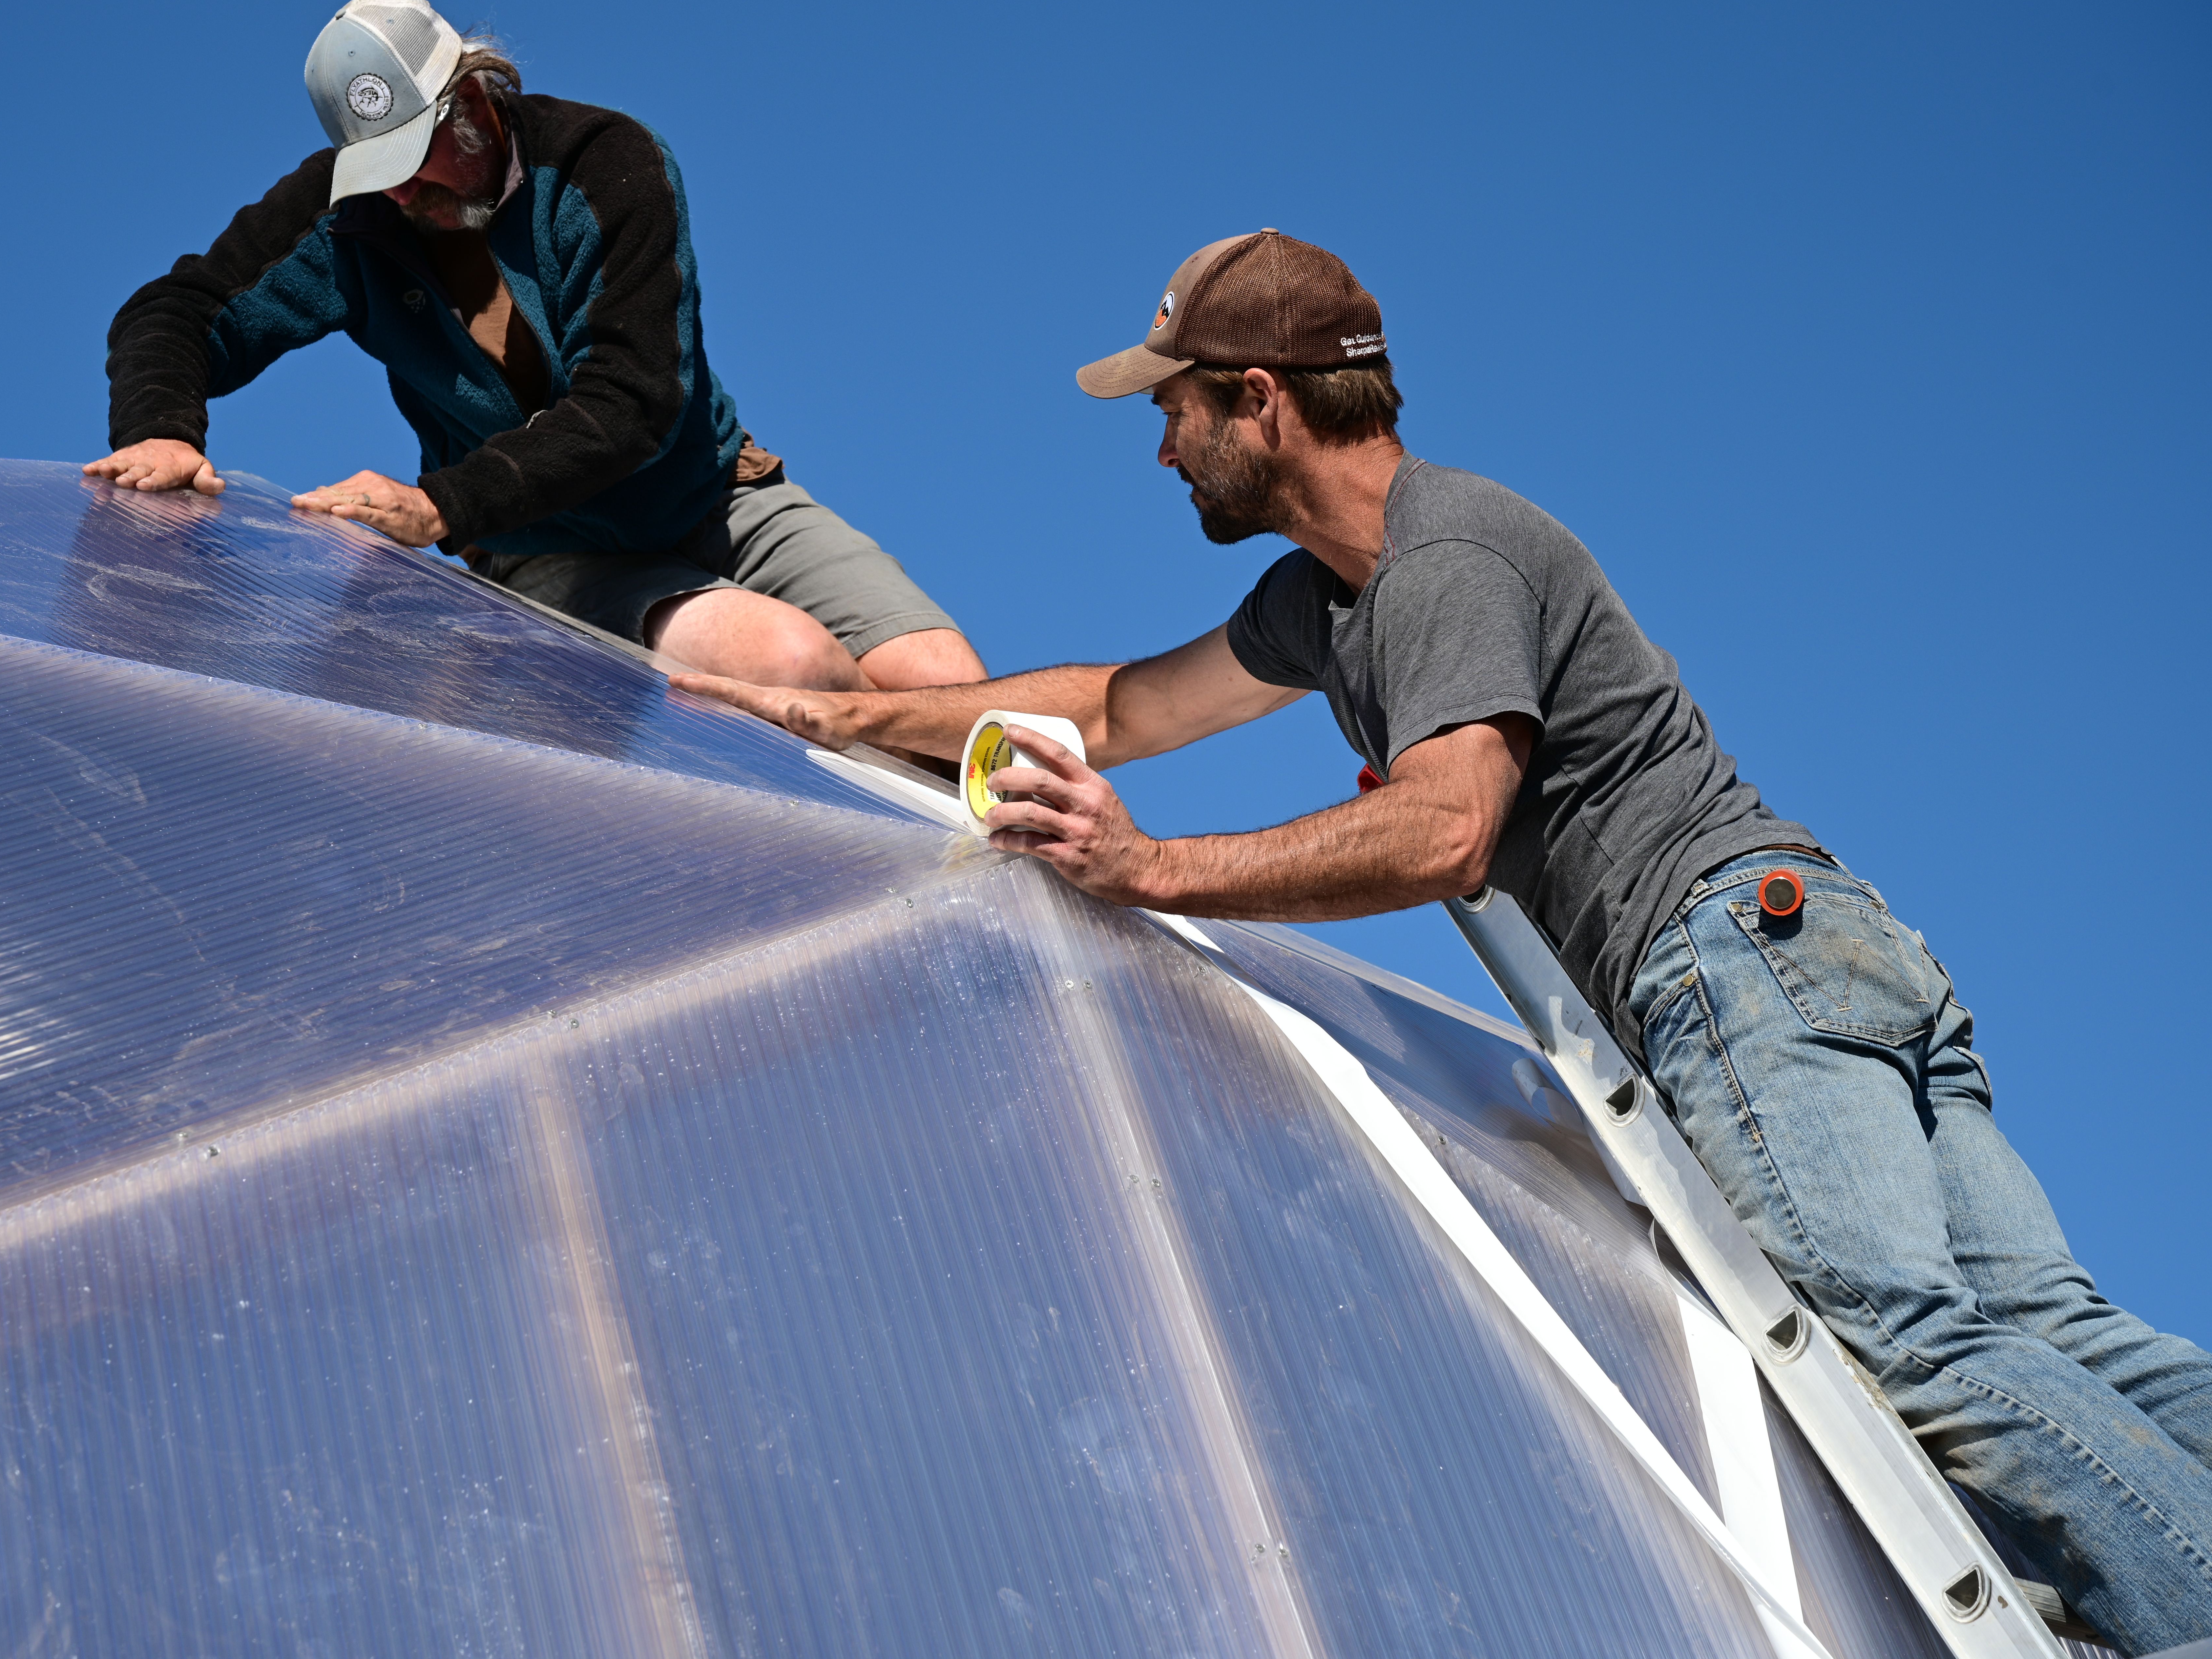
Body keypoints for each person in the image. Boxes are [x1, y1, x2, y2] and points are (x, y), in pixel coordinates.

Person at [677, 229, 2212, 1654]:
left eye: (1174, 409)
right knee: (2044, 1327)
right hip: (1823, 948)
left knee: (1903, 1347)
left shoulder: (1442, 563)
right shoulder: (1330, 601)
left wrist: (1145, 871)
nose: (1157, 444)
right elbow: (1119, 706)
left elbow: (1443, 827)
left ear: (1257, 401)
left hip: (1730, 962)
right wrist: (833, 713)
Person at [85, 0, 981, 703]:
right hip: (542, 545)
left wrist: (436, 505)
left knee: (964, 704)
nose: (400, 194)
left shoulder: (603, 162)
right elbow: (178, 309)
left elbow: (633, 400)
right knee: (791, 664)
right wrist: (164, 428)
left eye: (416, 158)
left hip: (710, 494)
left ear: (475, 99)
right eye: (377, 171)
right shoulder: (349, 215)